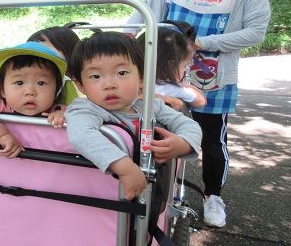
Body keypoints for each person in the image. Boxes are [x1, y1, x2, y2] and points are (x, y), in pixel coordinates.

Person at [126, 0, 271, 227]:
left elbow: (256, 32)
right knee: (155, 130)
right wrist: (119, 43)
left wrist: (202, 43)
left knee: (211, 139)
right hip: (163, 77)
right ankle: (159, 189)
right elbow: (141, 16)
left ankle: (213, 195)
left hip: (213, 79)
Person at [65, 31, 202, 200]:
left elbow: (189, 124)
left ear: (142, 78)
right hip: (106, 198)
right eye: (95, 76)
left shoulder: (150, 105)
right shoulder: (85, 109)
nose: (109, 84)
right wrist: (125, 168)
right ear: (81, 85)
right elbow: (81, 135)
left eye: (121, 73)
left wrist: (184, 143)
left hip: (150, 192)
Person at [0, 42, 68, 159]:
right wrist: (2, 136)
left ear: (56, 90)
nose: (30, 91)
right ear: (2, 90)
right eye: (19, 82)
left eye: (41, 83)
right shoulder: (1, 104)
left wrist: (65, 116)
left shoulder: (57, 110)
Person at [136, 22, 206, 111]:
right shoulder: (168, 87)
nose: (185, 70)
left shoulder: (129, 80)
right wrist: (185, 86)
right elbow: (201, 101)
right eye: (184, 66)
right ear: (171, 66)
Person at [27, 25, 81, 105]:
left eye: (45, 50)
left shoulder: (73, 84)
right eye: (32, 52)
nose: (37, 56)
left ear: (70, 51)